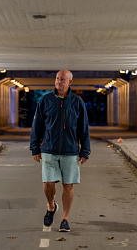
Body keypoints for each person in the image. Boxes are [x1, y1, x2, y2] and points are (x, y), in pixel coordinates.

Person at [30, 70, 91, 232]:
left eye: (62, 79)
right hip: (49, 149)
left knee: (68, 185)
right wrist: (35, 148)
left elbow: (83, 128)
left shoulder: (77, 102)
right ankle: (51, 206)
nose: (59, 82)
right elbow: (37, 127)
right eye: (57, 79)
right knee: (48, 183)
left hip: (70, 151)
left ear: (70, 82)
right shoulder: (45, 100)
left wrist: (85, 151)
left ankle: (65, 218)